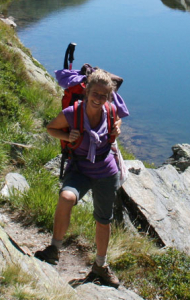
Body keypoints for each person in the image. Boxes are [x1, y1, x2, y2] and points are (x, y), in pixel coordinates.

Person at [35, 68, 125, 288]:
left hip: (106, 171)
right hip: (81, 168)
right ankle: (54, 249)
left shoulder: (111, 111)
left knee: (104, 220)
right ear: (87, 92)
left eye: (103, 96)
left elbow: (118, 122)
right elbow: (50, 128)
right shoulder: (71, 113)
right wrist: (67, 135)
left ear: (108, 97)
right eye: (95, 94)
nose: (98, 99)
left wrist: (117, 128)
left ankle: (100, 267)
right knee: (66, 198)